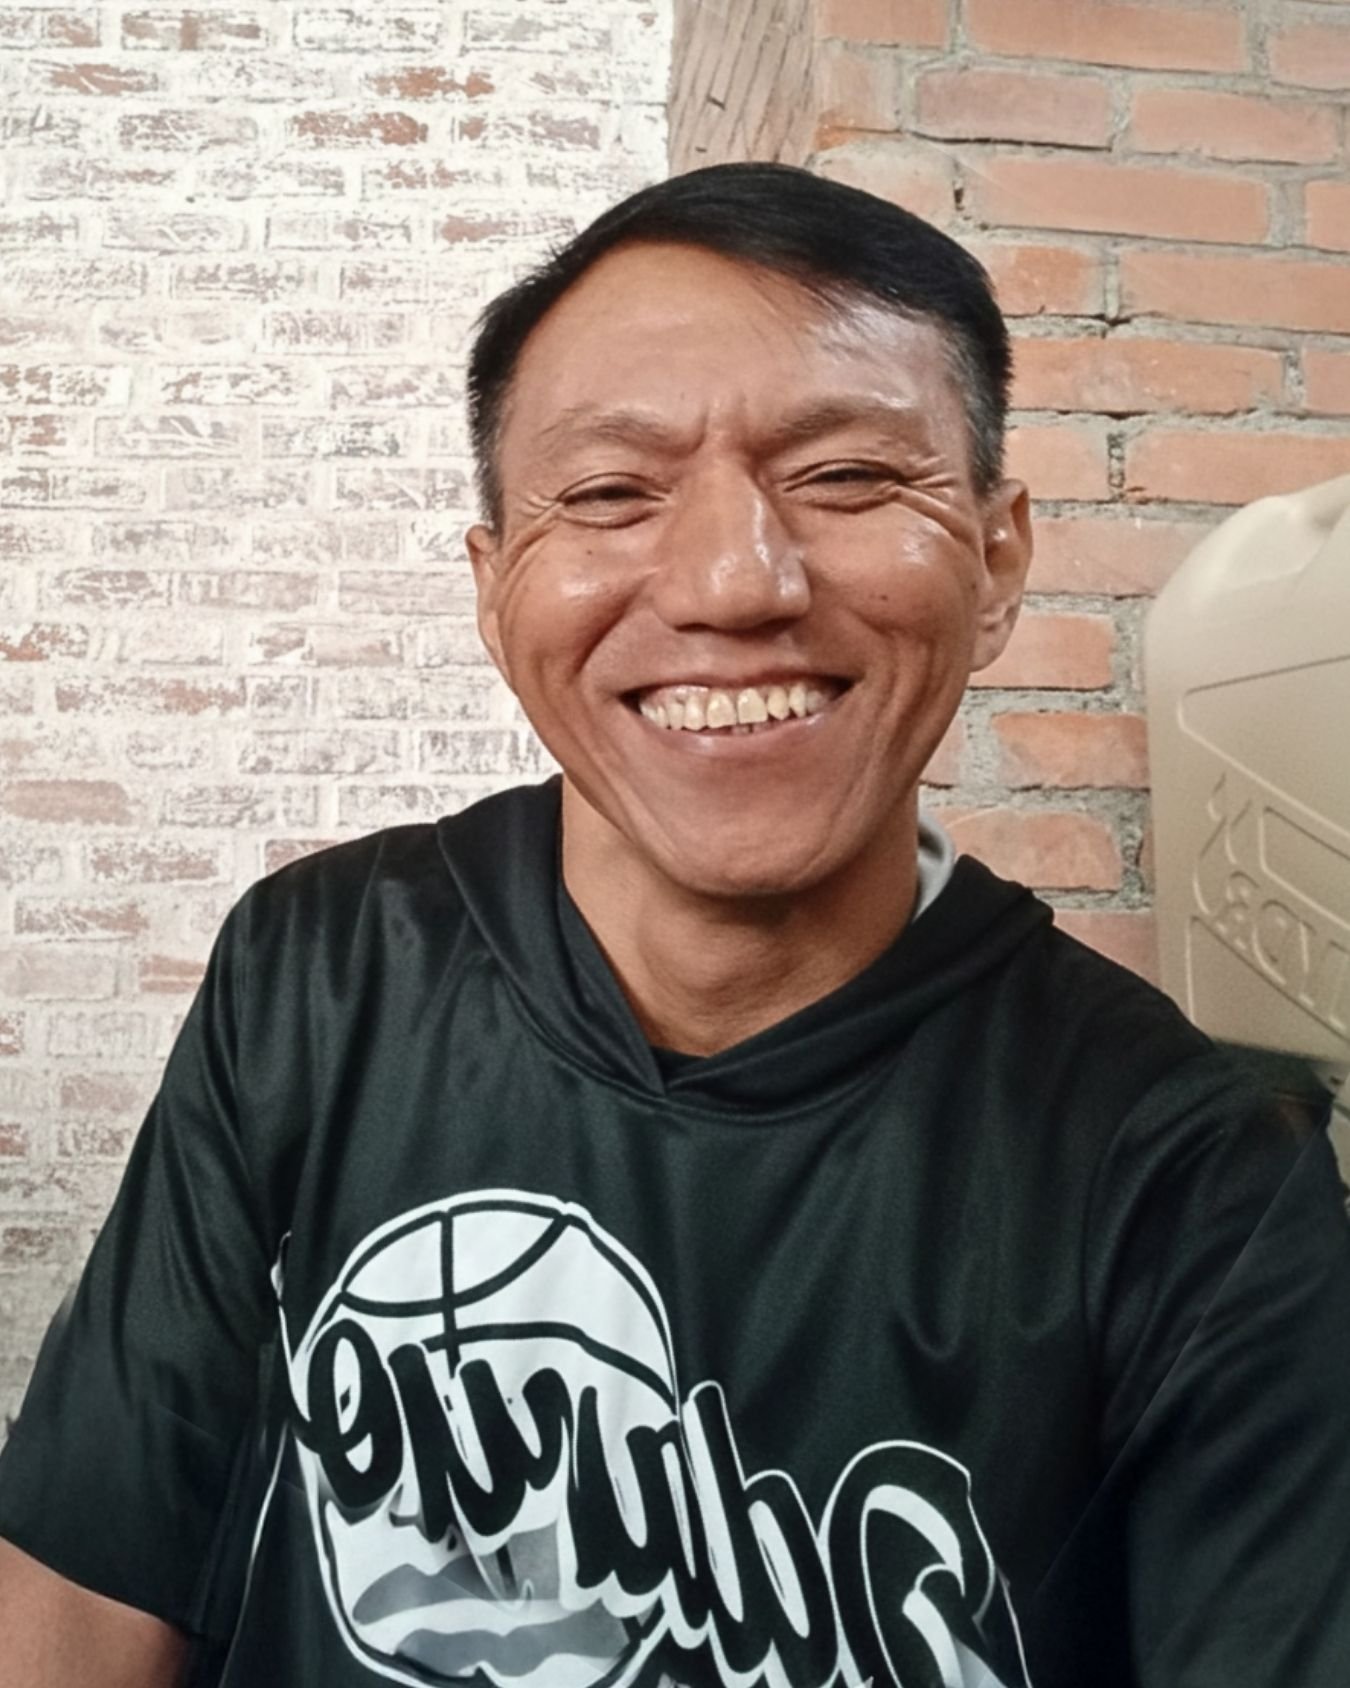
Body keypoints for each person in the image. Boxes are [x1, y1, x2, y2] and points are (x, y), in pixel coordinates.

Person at [0, 161, 1347, 1688]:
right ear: (495, 587)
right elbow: (90, 1578)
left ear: (994, 560)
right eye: (607, 493)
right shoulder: (320, 969)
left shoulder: (1192, 1174)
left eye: (846, 476)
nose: (731, 583)